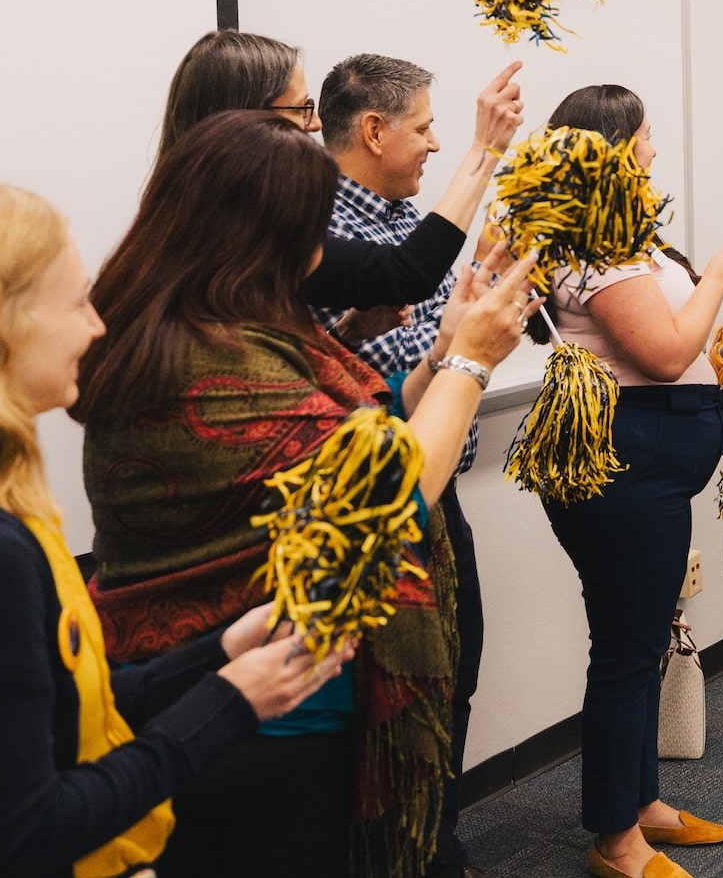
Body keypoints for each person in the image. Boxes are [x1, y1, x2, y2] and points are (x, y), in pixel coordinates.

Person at [0, 182, 345, 878]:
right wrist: (230, 701)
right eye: (76, 302)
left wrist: (215, 653)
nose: (97, 326)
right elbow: (26, 834)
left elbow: (51, 715)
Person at [73, 111, 537, 878]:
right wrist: (473, 364)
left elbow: (353, 431)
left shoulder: (207, 322)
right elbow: (388, 490)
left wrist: (444, 348)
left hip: (234, 694)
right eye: (310, 231)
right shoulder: (214, 360)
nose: (323, 252)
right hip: (256, 718)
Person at [523, 84, 723, 878]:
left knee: (641, 642)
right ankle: (616, 841)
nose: (655, 151)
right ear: (613, 148)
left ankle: (642, 802)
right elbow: (663, 354)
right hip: (625, 470)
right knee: (625, 650)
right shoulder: (593, 249)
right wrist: (717, 277)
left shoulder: (624, 239)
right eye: (645, 138)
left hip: (653, 468)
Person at [317, 51, 494, 878]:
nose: (433, 143)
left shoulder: (399, 218)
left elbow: (424, 321)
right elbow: (379, 377)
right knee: (396, 695)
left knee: (452, 670)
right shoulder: (323, 232)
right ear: (377, 128)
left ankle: (436, 844)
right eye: (424, 127)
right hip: (376, 496)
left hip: (432, 484)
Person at [158, 28, 523, 314]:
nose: (315, 125)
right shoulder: (274, 239)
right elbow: (408, 276)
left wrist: (349, 335)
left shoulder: (214, 232)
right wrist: (485, 148)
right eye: (302, 109)